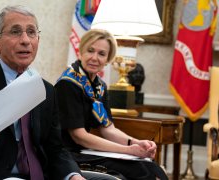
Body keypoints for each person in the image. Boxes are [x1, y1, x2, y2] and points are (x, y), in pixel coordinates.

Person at [0, 5, 115, 180]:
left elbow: (56, 149)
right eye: (16, 31)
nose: (25, 40)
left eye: (31, 32)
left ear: (37, 40)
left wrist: (72, 175)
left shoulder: (47, 91)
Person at [55, 29, 168, 180]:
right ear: (80, 52)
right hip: (66, 155)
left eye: (101, 54)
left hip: (84, 151)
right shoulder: (68, 83)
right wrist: (128, 150)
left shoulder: (100, 86)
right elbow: (79, 136)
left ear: (108, 59)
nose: (94, 58)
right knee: (140, 172)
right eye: (90, 51)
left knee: (151, 168)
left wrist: (136, 142)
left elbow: (108, 129)